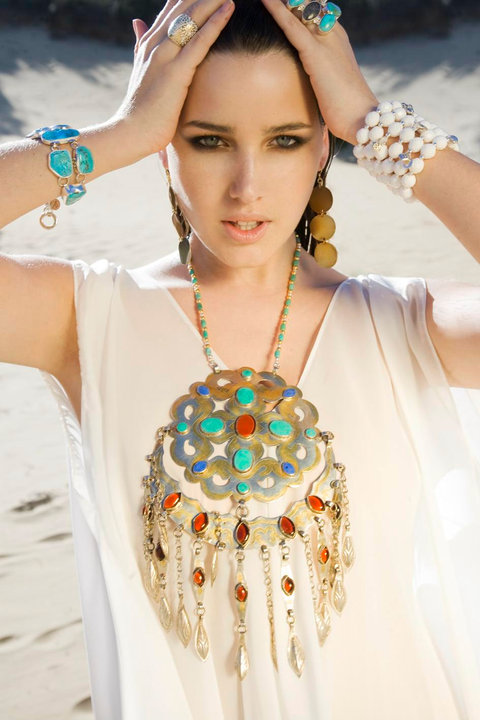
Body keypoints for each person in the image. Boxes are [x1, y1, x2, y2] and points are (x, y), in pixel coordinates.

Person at [1, 0, 479, 718]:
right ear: (166, 145)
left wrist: (373, 124)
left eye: (285, 140)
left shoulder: (406, 325)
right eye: (208, 140)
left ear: (322, 148)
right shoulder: (84, 318)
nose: (246, 186)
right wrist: (116, 135)